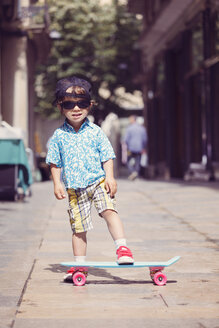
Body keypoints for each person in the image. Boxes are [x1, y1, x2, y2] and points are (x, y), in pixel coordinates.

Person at [46, 76, 134, 280]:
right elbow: (54, 162)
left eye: (82, 104)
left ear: (90, 105)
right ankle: (80, 265)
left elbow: (107, 155)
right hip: (75, 189)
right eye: (69, 104)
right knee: (78, 228)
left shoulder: (96, 132)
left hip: (98, 182)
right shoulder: (59, 135)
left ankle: (122, 249)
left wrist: (110, 178)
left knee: (109, 210)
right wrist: (57, 182)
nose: (76, 109)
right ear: (61, 107)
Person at [124, 115, 147, 180]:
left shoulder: (129, 128)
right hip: (140, 148)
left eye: (130, 120)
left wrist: (128, 146)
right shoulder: (142, 128)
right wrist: (143, 147)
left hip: (130, 148)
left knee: (128, 161)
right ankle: (136, 173)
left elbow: (126, 139)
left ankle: (133, 171)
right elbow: (145, 139)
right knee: (138, 162)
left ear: (133, 120)